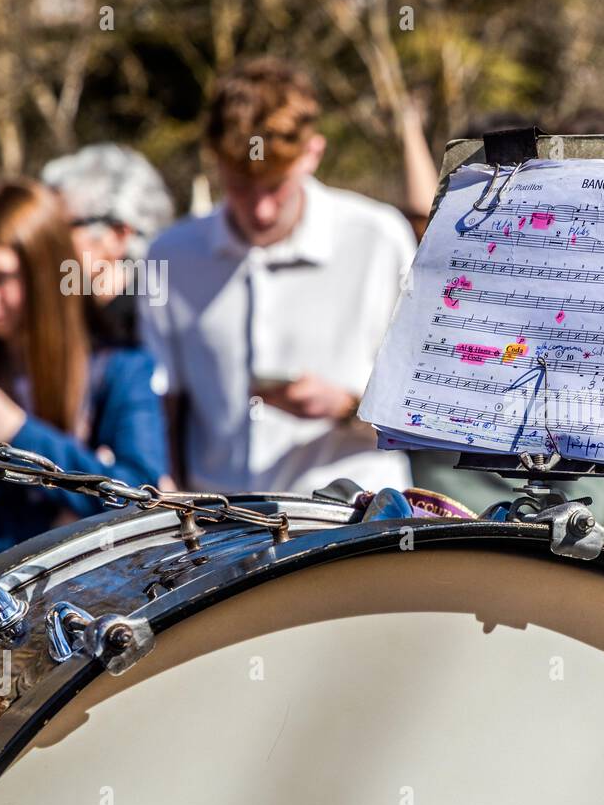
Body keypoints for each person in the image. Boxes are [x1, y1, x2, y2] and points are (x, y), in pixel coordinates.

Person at [141, 56, 416, 496]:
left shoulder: (378, 238)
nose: (260, 209)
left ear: (313, 153)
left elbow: (429, 406)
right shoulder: (170, 255)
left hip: (355, 524)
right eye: (240, 187)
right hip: (222, 526)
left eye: (275, 186)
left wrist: (346, 407)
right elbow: (163, 401)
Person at [0, 177, 168, 572]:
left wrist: (19, 432)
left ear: (44, 273)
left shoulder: (120, 369)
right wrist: (46, 529)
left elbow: (141, 500)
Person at [41, 143, 175, 347]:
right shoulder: (62, 319)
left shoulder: (152, 329)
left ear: (118, 234)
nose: (46, 242)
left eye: (60, 229)